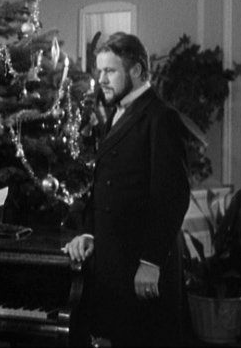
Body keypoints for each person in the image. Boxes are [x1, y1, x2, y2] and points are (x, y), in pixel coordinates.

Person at [65, 32, 190, 346]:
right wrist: (89, 233)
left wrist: (151, 263)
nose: (101, 80)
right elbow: (106, 187)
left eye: (110, 71)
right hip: (116, 260)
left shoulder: (161, 118)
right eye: (100, 71)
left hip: (143, 266)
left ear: (136, 70)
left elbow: (172, 197)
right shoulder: (118, 113)